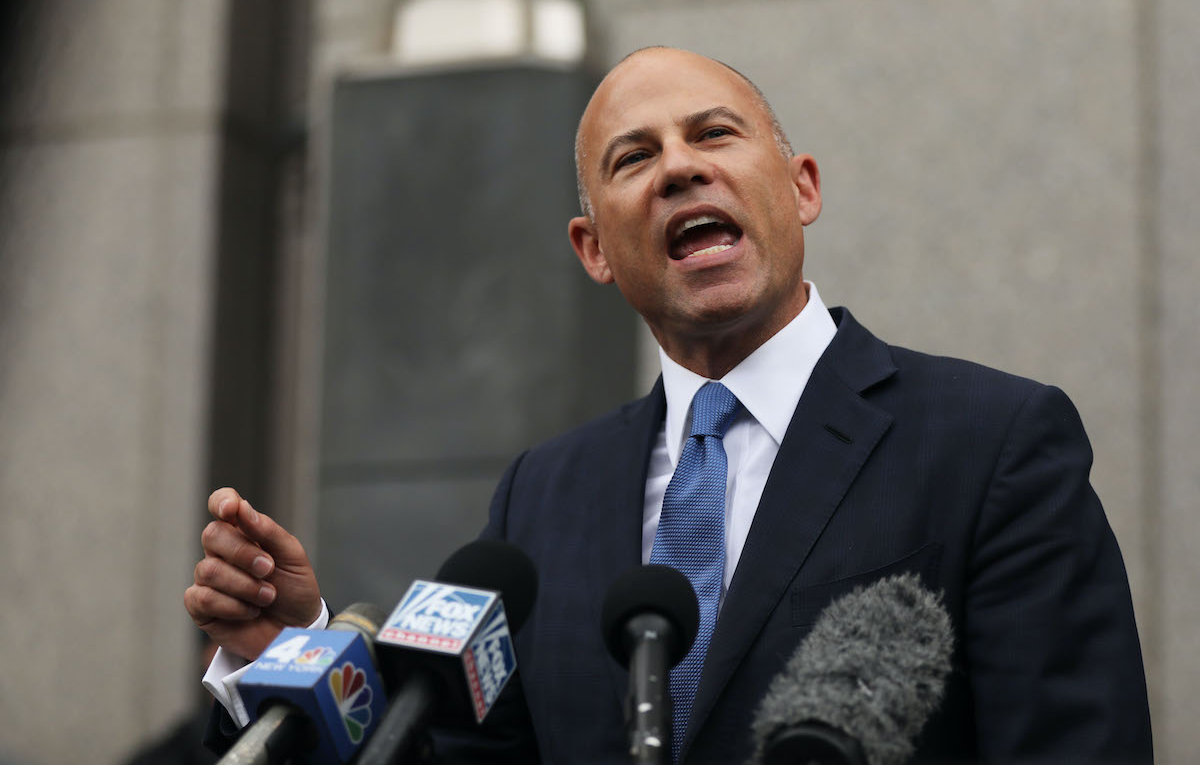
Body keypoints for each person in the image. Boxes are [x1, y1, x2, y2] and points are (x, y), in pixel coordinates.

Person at [186, 46, 1153, 763]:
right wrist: (309, 657)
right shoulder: (539, 500)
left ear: (802, 188)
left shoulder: (993, 442)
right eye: (633, 158)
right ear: (594, 250)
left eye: (715, 134)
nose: (681, 167)